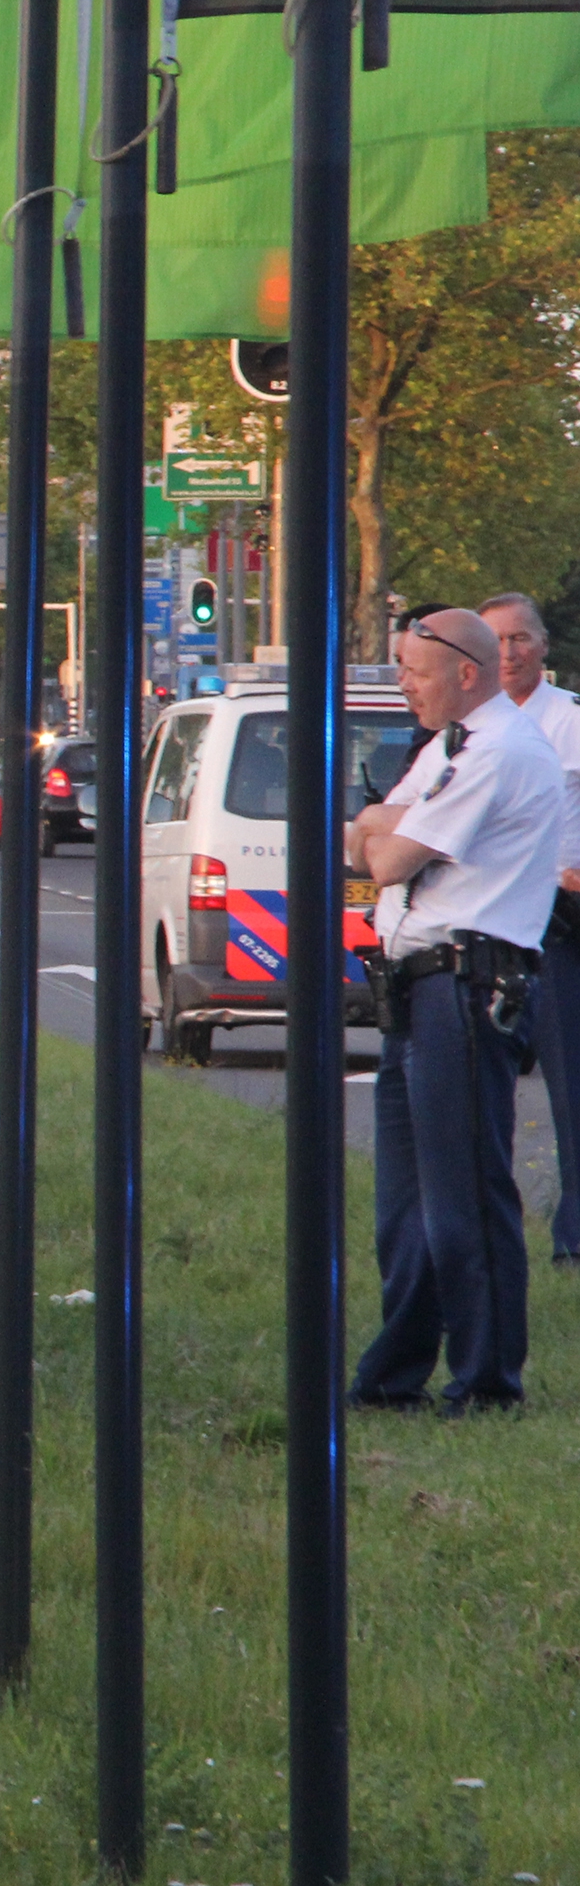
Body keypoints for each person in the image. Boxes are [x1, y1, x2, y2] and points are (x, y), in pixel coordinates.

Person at [347, 606, 565, 1418]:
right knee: (406, 1208)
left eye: (415, 671)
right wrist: (380, 828)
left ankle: (487, 1380)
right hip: (415, 987)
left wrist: (384, 828)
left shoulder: (500, 750)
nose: (405, 685)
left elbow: (389, 857)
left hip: (465, 987)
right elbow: (359, 841)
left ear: (466, 673)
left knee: (466, 1196)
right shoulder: (449, 747)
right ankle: (394, 1376)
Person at [479, 590, 580, 1261]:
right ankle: (491, 1234)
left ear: (543, 646)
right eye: (496, 641)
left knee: (569, 1087)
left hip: (557, 925)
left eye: (520, 638)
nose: (509, 652)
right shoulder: (470, 729)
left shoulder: (569, 721)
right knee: (483, 1090)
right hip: (488, 925)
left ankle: (573, 1239)